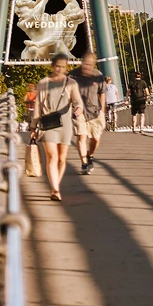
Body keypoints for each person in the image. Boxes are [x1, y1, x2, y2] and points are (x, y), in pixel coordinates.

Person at [30, 55, 83, 201]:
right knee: (52, 156)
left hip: (65, 124)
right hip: (48, 124)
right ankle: (55, 189)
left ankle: (55, 185)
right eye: (57, 66)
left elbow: (77, 100)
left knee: (61, 159)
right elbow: (38, 106)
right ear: (52, 66)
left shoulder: (71, 83)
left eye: (63, 66)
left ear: (67, 67)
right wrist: (33, 127)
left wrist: (78, 108)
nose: (59, 69)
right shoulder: (43, 83)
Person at [69, 52, 107, 175]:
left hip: (95, 111)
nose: (86, 67)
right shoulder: (73, 75)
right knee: (81, 136)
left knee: (95, 138)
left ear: (93, 65)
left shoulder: (98, 75)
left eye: (89, 65)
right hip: (79, 112)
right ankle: (84, 163)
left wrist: (102, 110)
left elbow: (102, 92)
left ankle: (90, 155)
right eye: (84, 64)